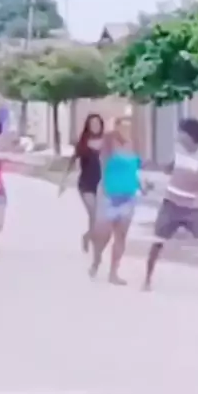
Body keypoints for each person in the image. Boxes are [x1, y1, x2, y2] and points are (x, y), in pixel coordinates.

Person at [143, 117, 198, 298]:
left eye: (181, 132)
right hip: (170, 204)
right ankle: (147, 280)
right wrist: (158, 170)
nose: (178, 135)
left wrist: (197, 178)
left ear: (190, 135)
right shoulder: (177, 150)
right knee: (157, 243)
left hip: (193, 208)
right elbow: (169, 168)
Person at [89, 116, 141, 285]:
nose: (126, 130)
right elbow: (102, 163)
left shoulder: (133, 145)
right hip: (109, 194)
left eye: (129, 126)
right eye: (123, 126)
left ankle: (113, 273)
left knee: (121, 236)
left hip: (128, 194)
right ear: (117, 127)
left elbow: (133, 169)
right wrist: (104, 187)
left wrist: (141, 185)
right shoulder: (109, 143)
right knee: (103, 235)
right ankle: (96, 259)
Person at [59, 113, 104, 252]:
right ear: (88, 126)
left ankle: (87, 236)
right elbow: (72, 163)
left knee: (100, 218)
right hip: (86, 184)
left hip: (102, 184)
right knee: (94, 214)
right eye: (92, 123)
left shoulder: (107, 142)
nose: (95, 126)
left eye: (97, 123)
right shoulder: (83, 143)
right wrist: (63, 182)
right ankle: (94, 242)